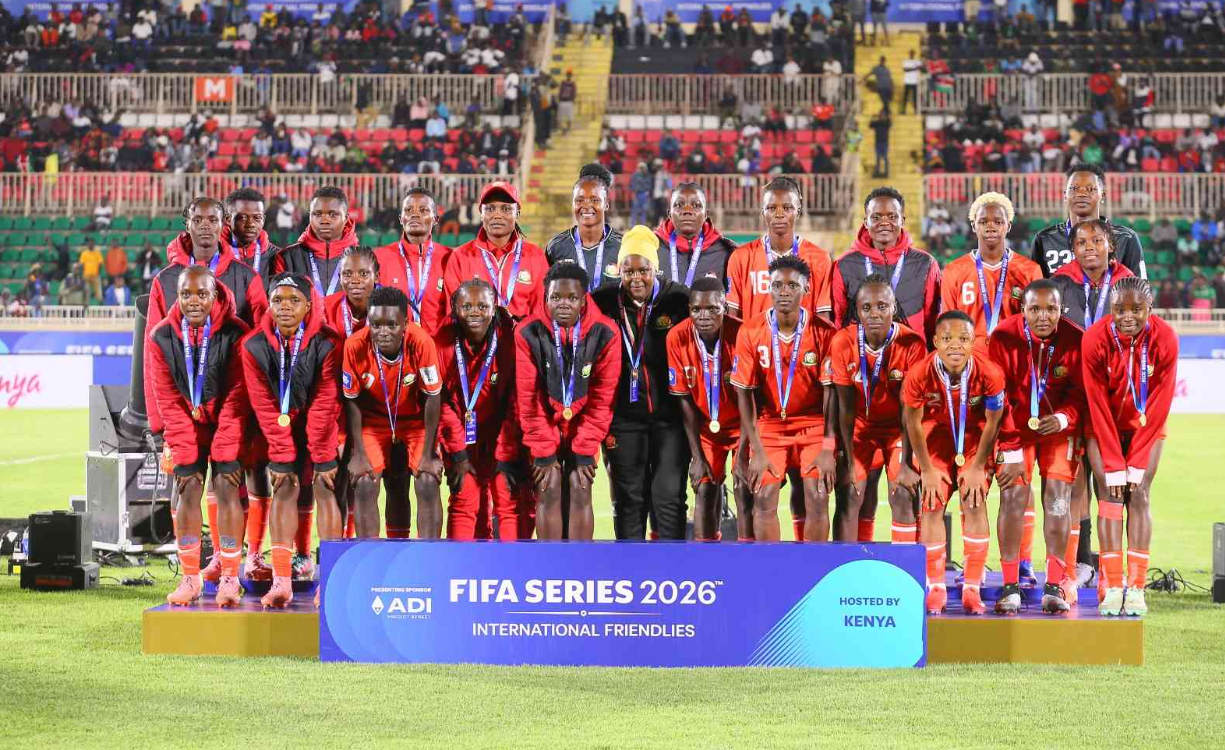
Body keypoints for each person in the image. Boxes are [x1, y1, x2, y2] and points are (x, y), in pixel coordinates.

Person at [144, 199, 271, 573]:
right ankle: (208, 562)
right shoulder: (166, 279)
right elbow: (153, 350)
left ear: (223, 223)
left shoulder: (246, 276)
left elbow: (261, 337)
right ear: (186, 223)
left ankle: (244, 556)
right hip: (183, 407)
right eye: (197, 219)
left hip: (234, 399)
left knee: (233, 478)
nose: (204, 226)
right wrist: (158, 423)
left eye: (212, 219)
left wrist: (258, 406)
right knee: (188, 482)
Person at [148, 267, 250, 606]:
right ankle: (191, 577)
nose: (194, 301)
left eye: (202, 294)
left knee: (226, 485)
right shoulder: (161, 337)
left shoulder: (236, 333)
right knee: (187, 486)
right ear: (177, 296)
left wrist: (225, 450)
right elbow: (167, 398)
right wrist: (185, 452)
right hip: (186, 423)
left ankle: (230, 577)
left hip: (227, 422)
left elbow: (238, 395)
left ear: (215, 295)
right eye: (186, 294)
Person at [240, 273, 343, 608]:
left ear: (309, 306)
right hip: (277, 427)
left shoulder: (328, 342)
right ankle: (282, 581)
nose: (285, 307)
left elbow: (327, 399)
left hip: (320, 425)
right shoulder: (253, 345)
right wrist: (282, 453)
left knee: (325, 485)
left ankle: (331, 582)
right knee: (284, 485)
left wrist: (322, 453)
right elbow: (263, 404)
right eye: (278, 300)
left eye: (294, 300)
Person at [989, 279, 1086, 615]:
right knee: (1013, 496)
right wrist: (1012, 449)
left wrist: (1063, 418)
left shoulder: (1075, 338)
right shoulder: (1003, 337)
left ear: (1061, 310)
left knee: (1058, 500)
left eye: (1051, 309)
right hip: (1014, 429)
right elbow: (998, 396)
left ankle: (1054, 585)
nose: (1043, 316)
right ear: (1023, 309)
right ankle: (1010, 585)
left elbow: (1080, 394)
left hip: (1057, 429)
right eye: (1035, 309)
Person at [901, 311, 1008, 615]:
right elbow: (912, 422)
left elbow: (993, 422)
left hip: (974, 438)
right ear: (935, 341)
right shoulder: (919, 373)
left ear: (973, 340)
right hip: (934, 437)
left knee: (974, 500)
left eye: (963, 338)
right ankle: (936, 587)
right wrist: (927, 469)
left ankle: (971, 587)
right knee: (931, 502)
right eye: (947, 338)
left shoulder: (990, 373)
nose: (955, 345)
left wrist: (978, 467)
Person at [1082, 278, 1177, 617]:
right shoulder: (1094, 338)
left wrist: (1135, 462)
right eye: (1119, 309)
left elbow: (1161, 400)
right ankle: (1113, 586)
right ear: (1110, 307)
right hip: (1102, 425)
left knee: (1139, 494)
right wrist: (1112, 462)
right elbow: (1096, 403)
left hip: (1147, 426)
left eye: (1136, 309)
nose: (1127, 317)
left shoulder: (1165, 338)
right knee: (1109, 497)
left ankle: (1136, 588)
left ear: (1150, 308)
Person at [592, 226, 691, 540]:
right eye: (628, 270)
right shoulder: (603, 301)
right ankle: (630, 565)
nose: (636, 278)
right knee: (629, 500)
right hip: (623, 420)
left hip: (670, 420)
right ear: (619, 270)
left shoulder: (678, 300)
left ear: (655, 268)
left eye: (643, 270)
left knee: (669, 498)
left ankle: (672, 564)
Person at [732, 255, 838, 542]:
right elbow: (745, 394)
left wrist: (828, 447)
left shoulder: (825, 333)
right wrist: (755, 448)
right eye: (777, 285)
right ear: (769, 288)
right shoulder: (750, 331)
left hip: (813, 423)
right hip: (769, 425)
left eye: (793, 285)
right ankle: (773, 567)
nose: (784, 292)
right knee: (763, 494)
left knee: (818, 495)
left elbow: (832, 396)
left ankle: (813, 565)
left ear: (806, 288)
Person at [514, 263, 620, 540]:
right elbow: (529, 398)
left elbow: (602, 399)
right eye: (555, 297)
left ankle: (578, 562)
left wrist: (584, 447)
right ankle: (551, 562)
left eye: (572, 298)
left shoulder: (606, 332)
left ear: (584, 300)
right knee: (547, 485)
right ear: (545, 297)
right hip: (544, 423)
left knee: (580, 484)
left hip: (584, 425)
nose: (564, 304)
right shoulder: (527, 332)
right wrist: (543, 449)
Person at [827, 275, 927, 543]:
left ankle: (903, 566)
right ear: (857, 311)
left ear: (894, 307)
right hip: (860, 429)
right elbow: (845, 407)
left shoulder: (912, 344)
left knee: (904, 491)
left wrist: (907, 463)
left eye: (882, 306)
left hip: (898, 431)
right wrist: (848, 461)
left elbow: (910, 410)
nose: (874, 313)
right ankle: (851, 565)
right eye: (866, 307)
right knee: (849, 492)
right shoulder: (843, 341)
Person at [343, 285, 444, 540]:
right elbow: (352, 400)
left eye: (392, 325)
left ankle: (428, 556)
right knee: (364, 481)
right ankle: (371, 556)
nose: (383, 332)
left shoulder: (421, 342)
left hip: (415, 421)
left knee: (427, 479)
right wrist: (358, 453)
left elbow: (433, 396)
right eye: (376, 325)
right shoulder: (354, 345)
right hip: (374, 421)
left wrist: (429, 454)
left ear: (405, 324)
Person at [437, 279, 530, 540]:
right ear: (454, 308)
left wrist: (506, 454)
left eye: (482, 306)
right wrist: (458, 454)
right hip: (460, 431)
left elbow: (516, 401)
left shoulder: (511, 339)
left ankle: (510, 562)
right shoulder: (441, 342)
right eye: (466, 306)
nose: (474, 312)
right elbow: (440, 402)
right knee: (464, 492)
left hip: (503, 431)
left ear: (494, 307)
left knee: (505, 491)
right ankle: (463, 562)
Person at [667, 276, 750, 541]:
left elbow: (752, 399)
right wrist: (697, 456)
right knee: (704, 488)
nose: (704, 316)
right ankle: (706, 556)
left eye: (713, 309)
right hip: (705, 427)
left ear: (725, 306)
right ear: (689, 309)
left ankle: (750, 555)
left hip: (743, 426)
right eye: (697, 309)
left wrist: (744, 453)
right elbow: (684, 399)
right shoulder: (676, 337)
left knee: (744, 488)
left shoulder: (743, 334)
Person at [833, 187, 942, 345]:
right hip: (862, 356)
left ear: (902, 221)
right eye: (876, 217)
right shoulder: (844, 265)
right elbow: (838, 323)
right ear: (866, 222)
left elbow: (933, 323)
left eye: (892, 216)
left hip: (911, 355)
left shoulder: (926, 263)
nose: (884, 222)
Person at [940, 193, 1043, 348]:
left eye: (998, 222)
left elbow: (1038, 323)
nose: (990, 227)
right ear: (973, 226)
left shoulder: (1030, 270)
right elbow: (947, 324)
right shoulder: (954, 271)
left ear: (1008, 226)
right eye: (983, 222)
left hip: (1014, 354)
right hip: (970, 357)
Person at [726, 177, 835, 324]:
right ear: (763, 212)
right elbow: (732, 319)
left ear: (798, 212)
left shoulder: (819, 259)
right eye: (772, 208)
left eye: (787, 208)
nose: (779, 214)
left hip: (802, 339)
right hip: (755, 339)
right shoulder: (741, 257)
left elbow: (823, 321)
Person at [444, 181, 548, 323]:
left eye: (506, 209)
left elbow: (541, 313)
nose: (497, 215)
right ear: (481, 214)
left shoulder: (535, 256)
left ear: (517, 214)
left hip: (522, 337)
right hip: (474, 336)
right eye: (490, 209)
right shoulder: (460, 257)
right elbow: (454, 313)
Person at [1031, 163, 1146, 279]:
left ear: (1102, 196)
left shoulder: (1126, 238)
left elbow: (1140, 288)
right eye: (1074, 188)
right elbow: (1036, 287)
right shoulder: (1045, 239)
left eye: (1090, 189)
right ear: (1065, 195)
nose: (1081, 194)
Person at [375, 187, 453, 336]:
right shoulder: (380, 258)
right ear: (401, 218)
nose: (415, 214)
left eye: (423, 210)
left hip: (438, 347)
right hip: (395, 346)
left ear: (436, 219)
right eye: (408, 210)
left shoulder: (449, 258)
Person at [263, 186, 360, 297]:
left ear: (346, 219)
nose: (324, 220)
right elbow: (278, 301)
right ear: (309, 216)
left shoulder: (363, 259)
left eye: (333, 215)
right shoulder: (286, 258)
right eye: (317, 214)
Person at [546, 163, 624, 292]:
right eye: (579, 200)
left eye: (594, 200)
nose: (586, 205)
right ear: (572, 204)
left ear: (606, 204)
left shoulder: (623, 246)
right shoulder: (556, 247)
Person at [1051, 219, 1137, 329]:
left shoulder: (1129, 284)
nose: (1089, 247)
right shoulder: (1057, 285)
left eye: (1097, 240)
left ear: (1110, 246)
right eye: (1081, 242)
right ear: (1073, 249)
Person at [652, 182, 738, 286]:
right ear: (669, 214)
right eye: (679, 205)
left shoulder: (727, 252)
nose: (687, 211)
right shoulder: (652, 247)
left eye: (696, 205)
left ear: (705, 214)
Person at [222, 187, 278, 271]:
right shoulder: (213, 254)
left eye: (257, 217)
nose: (250, 224)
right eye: (242, 217)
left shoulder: (276, 256)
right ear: (228, 219)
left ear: (263, 220)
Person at [870, 109, 891, 178]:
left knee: (885, 157)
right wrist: (872, 118)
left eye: (883, 115)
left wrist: (887, 117)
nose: (882, 116)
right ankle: (877, 172)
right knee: (878, 157)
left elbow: (890, 124)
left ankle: (886, 172)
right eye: (881, 115)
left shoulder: (886, 122)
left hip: (884, 142)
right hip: (878, 142)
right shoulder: (877, 122)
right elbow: (870, 125)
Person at [901, 50, 922, 114]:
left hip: (915, 81)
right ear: (909, 53)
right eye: (911, 53)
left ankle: (916, 110)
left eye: (912, 53)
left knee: (915, 97)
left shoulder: (917, 61)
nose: (911, 54)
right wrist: (915, 68)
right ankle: (903, 110)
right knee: (905, 97)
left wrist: (912, 68)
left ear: (914, 54)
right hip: (907, 81)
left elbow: (921, 68)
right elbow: (905, 69)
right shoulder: (906, 61)